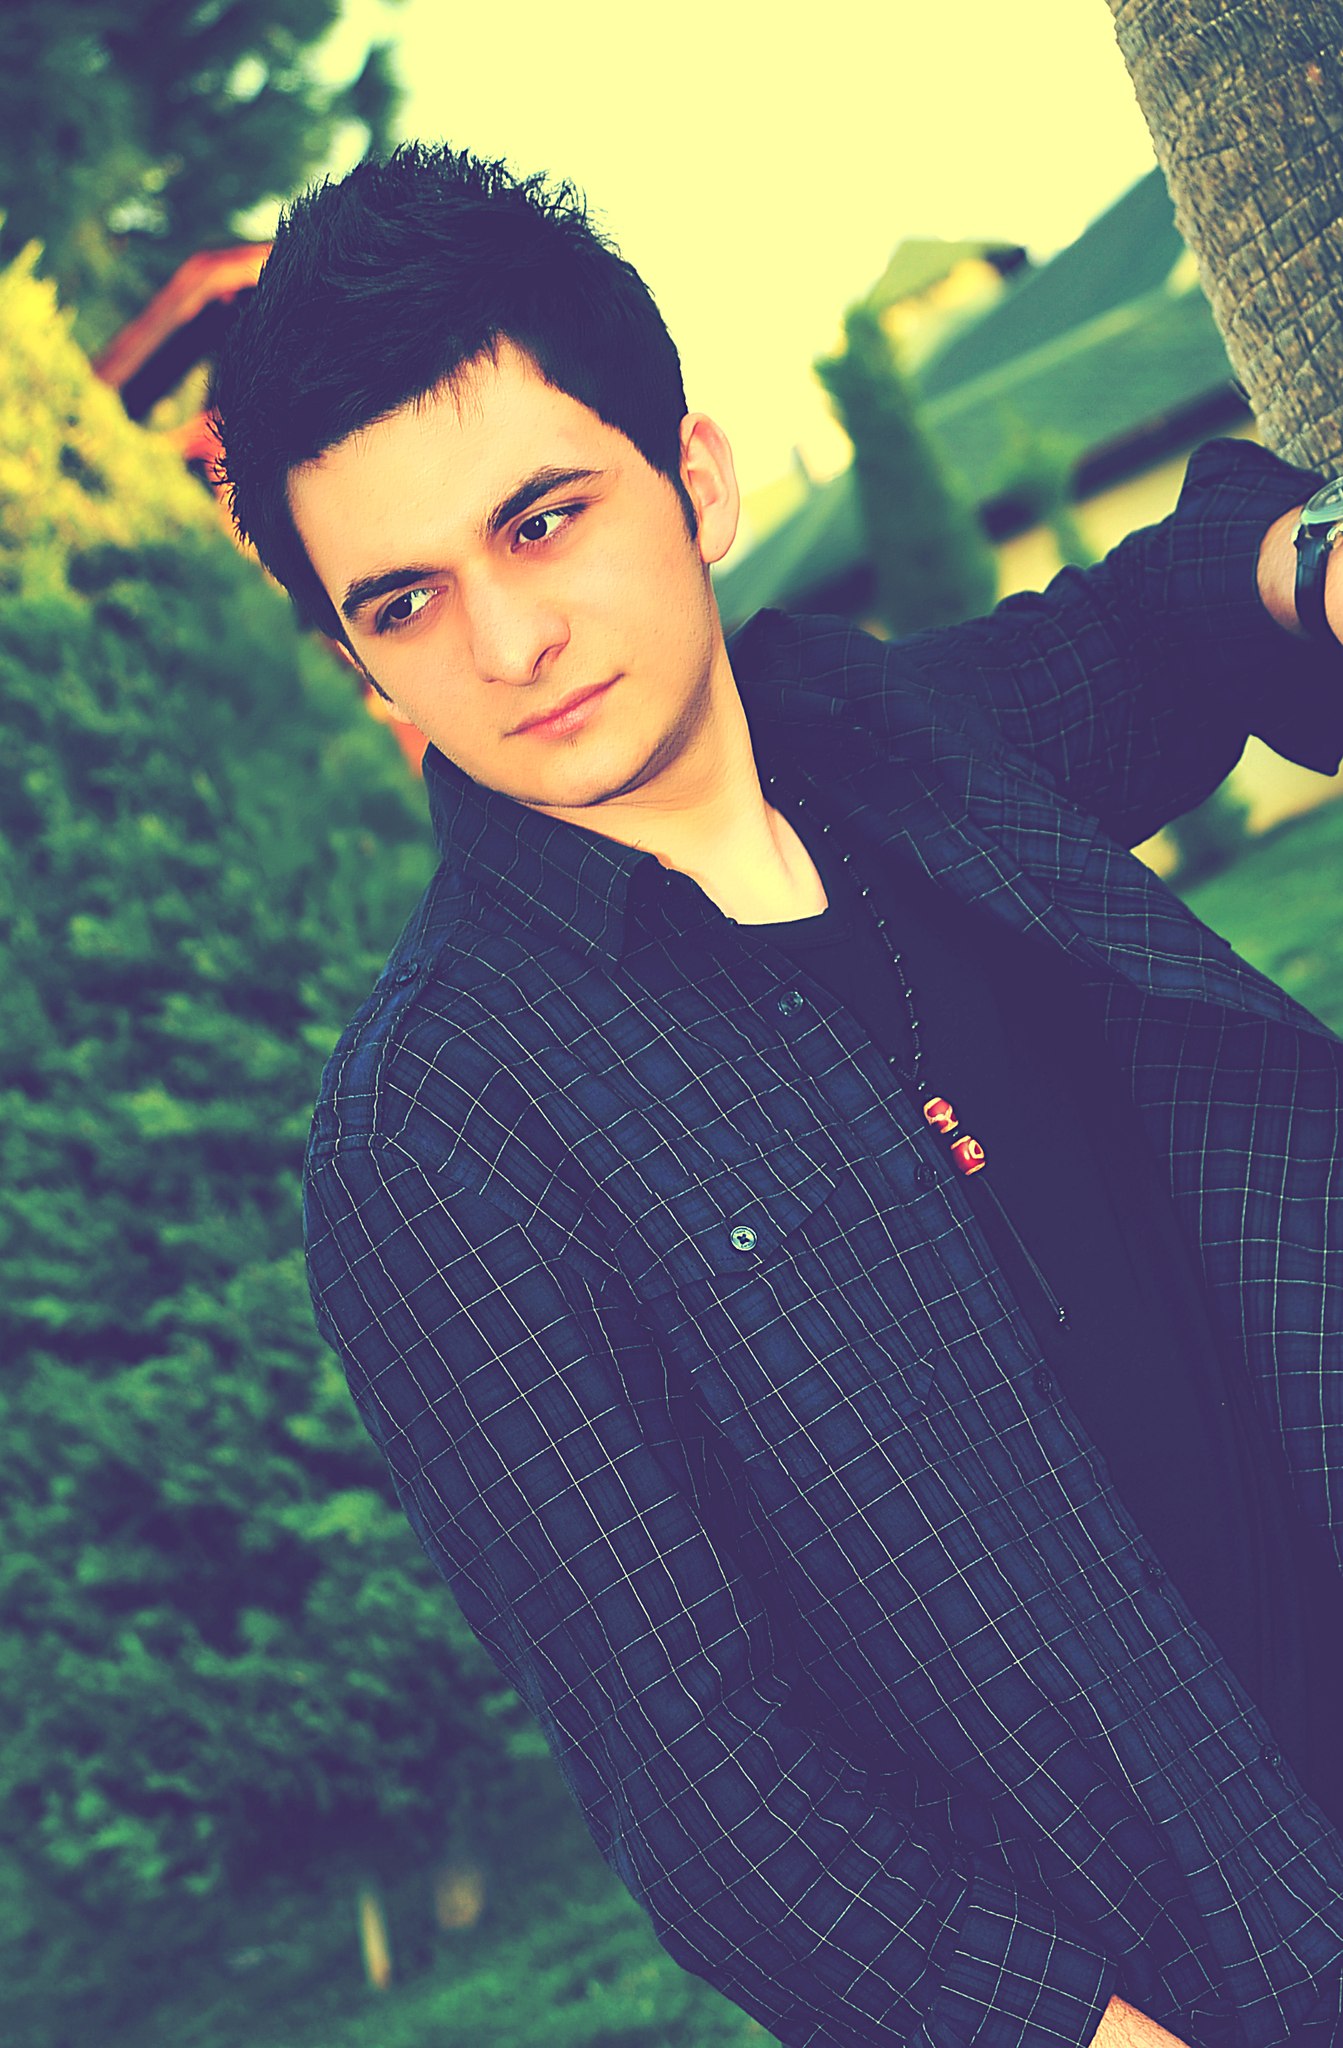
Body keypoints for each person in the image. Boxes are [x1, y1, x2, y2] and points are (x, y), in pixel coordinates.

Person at [209, 143, 1343, 2048]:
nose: (506, 644)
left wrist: (1309, 561)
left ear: (700, 480)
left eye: (542, 521)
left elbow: (1165, 619)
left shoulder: (919, 746)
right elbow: (713, 1791)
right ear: (360, 666)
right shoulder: (441, 1142)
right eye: (403, 604)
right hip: (1232, 1982)